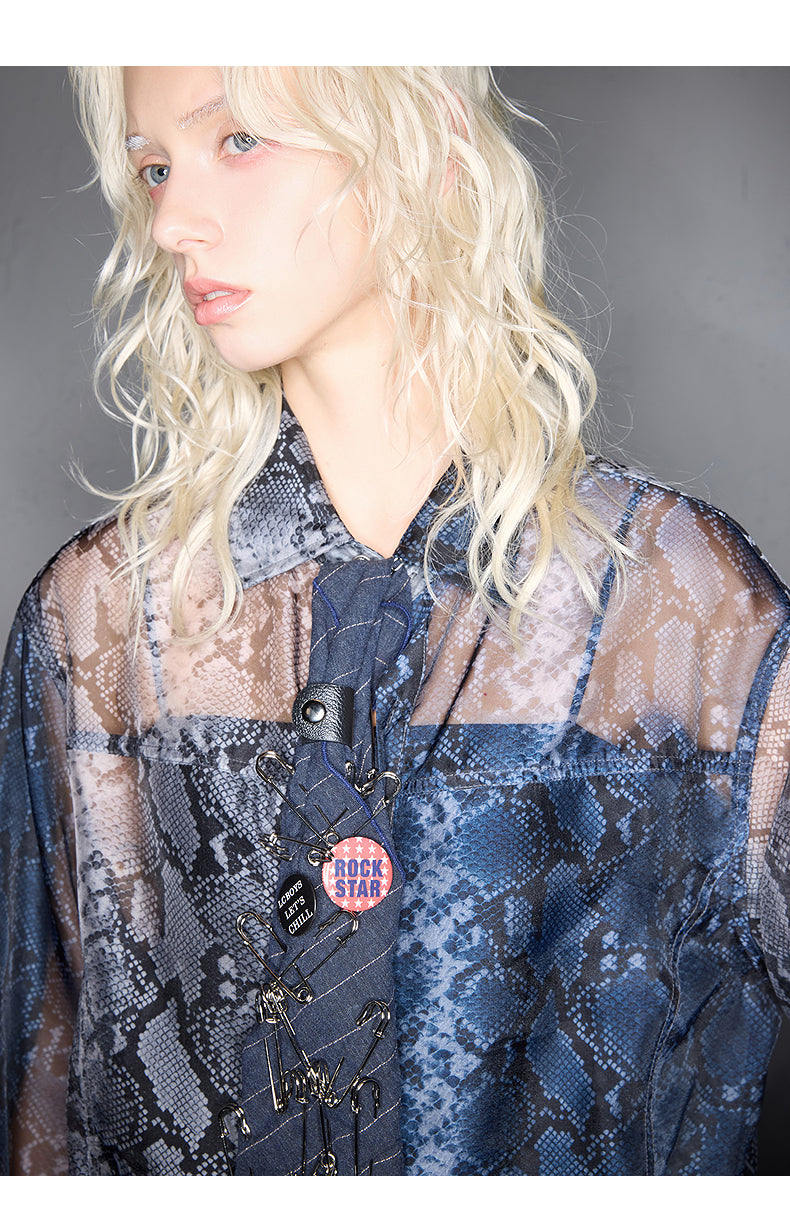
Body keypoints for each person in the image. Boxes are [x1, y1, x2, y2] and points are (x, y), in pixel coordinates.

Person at [1, 65, 789, 1178]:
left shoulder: (689, 613)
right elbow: (41, 1104)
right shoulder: (97, 624)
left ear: (422, 133)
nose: (172, 221)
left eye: (238, 140)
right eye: (156, 168)